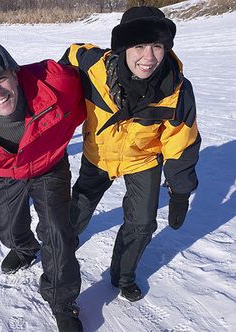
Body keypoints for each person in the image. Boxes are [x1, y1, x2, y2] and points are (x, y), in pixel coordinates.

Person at [58, 6, 201, 302]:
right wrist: (61, 89)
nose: (148, 58)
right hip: (98, 154)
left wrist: (180, 192)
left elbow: (181, 141)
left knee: (143, 223)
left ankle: (122, 275)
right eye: (139, 46)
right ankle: (60, 247)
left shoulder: (176, 88)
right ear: (123, 46)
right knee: (78, 208)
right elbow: (71, 54)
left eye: (157, 46)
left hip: (143, 159)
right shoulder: (94, 66)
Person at [0, 40, 87, 331]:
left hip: (49, 166)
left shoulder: (56, 84)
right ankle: (24, 249)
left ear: (14, 71)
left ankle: (61, 301)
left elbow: (93, 79)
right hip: (4, 172)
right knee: (8, 229)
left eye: (0, 78)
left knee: (58, 234)